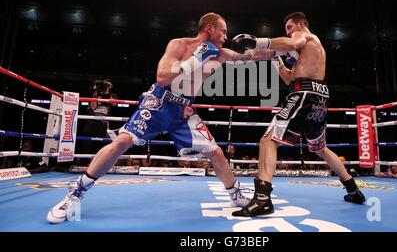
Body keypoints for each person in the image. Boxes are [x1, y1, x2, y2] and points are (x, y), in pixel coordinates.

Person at [47, 12, 262, 224]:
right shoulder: (179, 45)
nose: (226, 36)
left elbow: (248, 57)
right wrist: (196, 59)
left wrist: (272, 49)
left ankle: (235, 195)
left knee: (215, 152)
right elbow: (161, 78)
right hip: (159, 102)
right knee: (122, 141)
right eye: (223, 31)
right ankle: (77, 191)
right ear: (210, 28)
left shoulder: (220, 53)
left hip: (184, 110)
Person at [230, 12, 366, 217]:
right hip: (318, 97)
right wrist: (274, 58)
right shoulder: (306, 55)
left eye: (290, 27)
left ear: (301, 24)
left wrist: (258, 41)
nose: (289, 32)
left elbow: (292, 44)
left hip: (303, 95)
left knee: (268, 140)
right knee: (320, 148)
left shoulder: (306, 36)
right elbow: (289, 79)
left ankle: (262, 198)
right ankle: (353, 190)